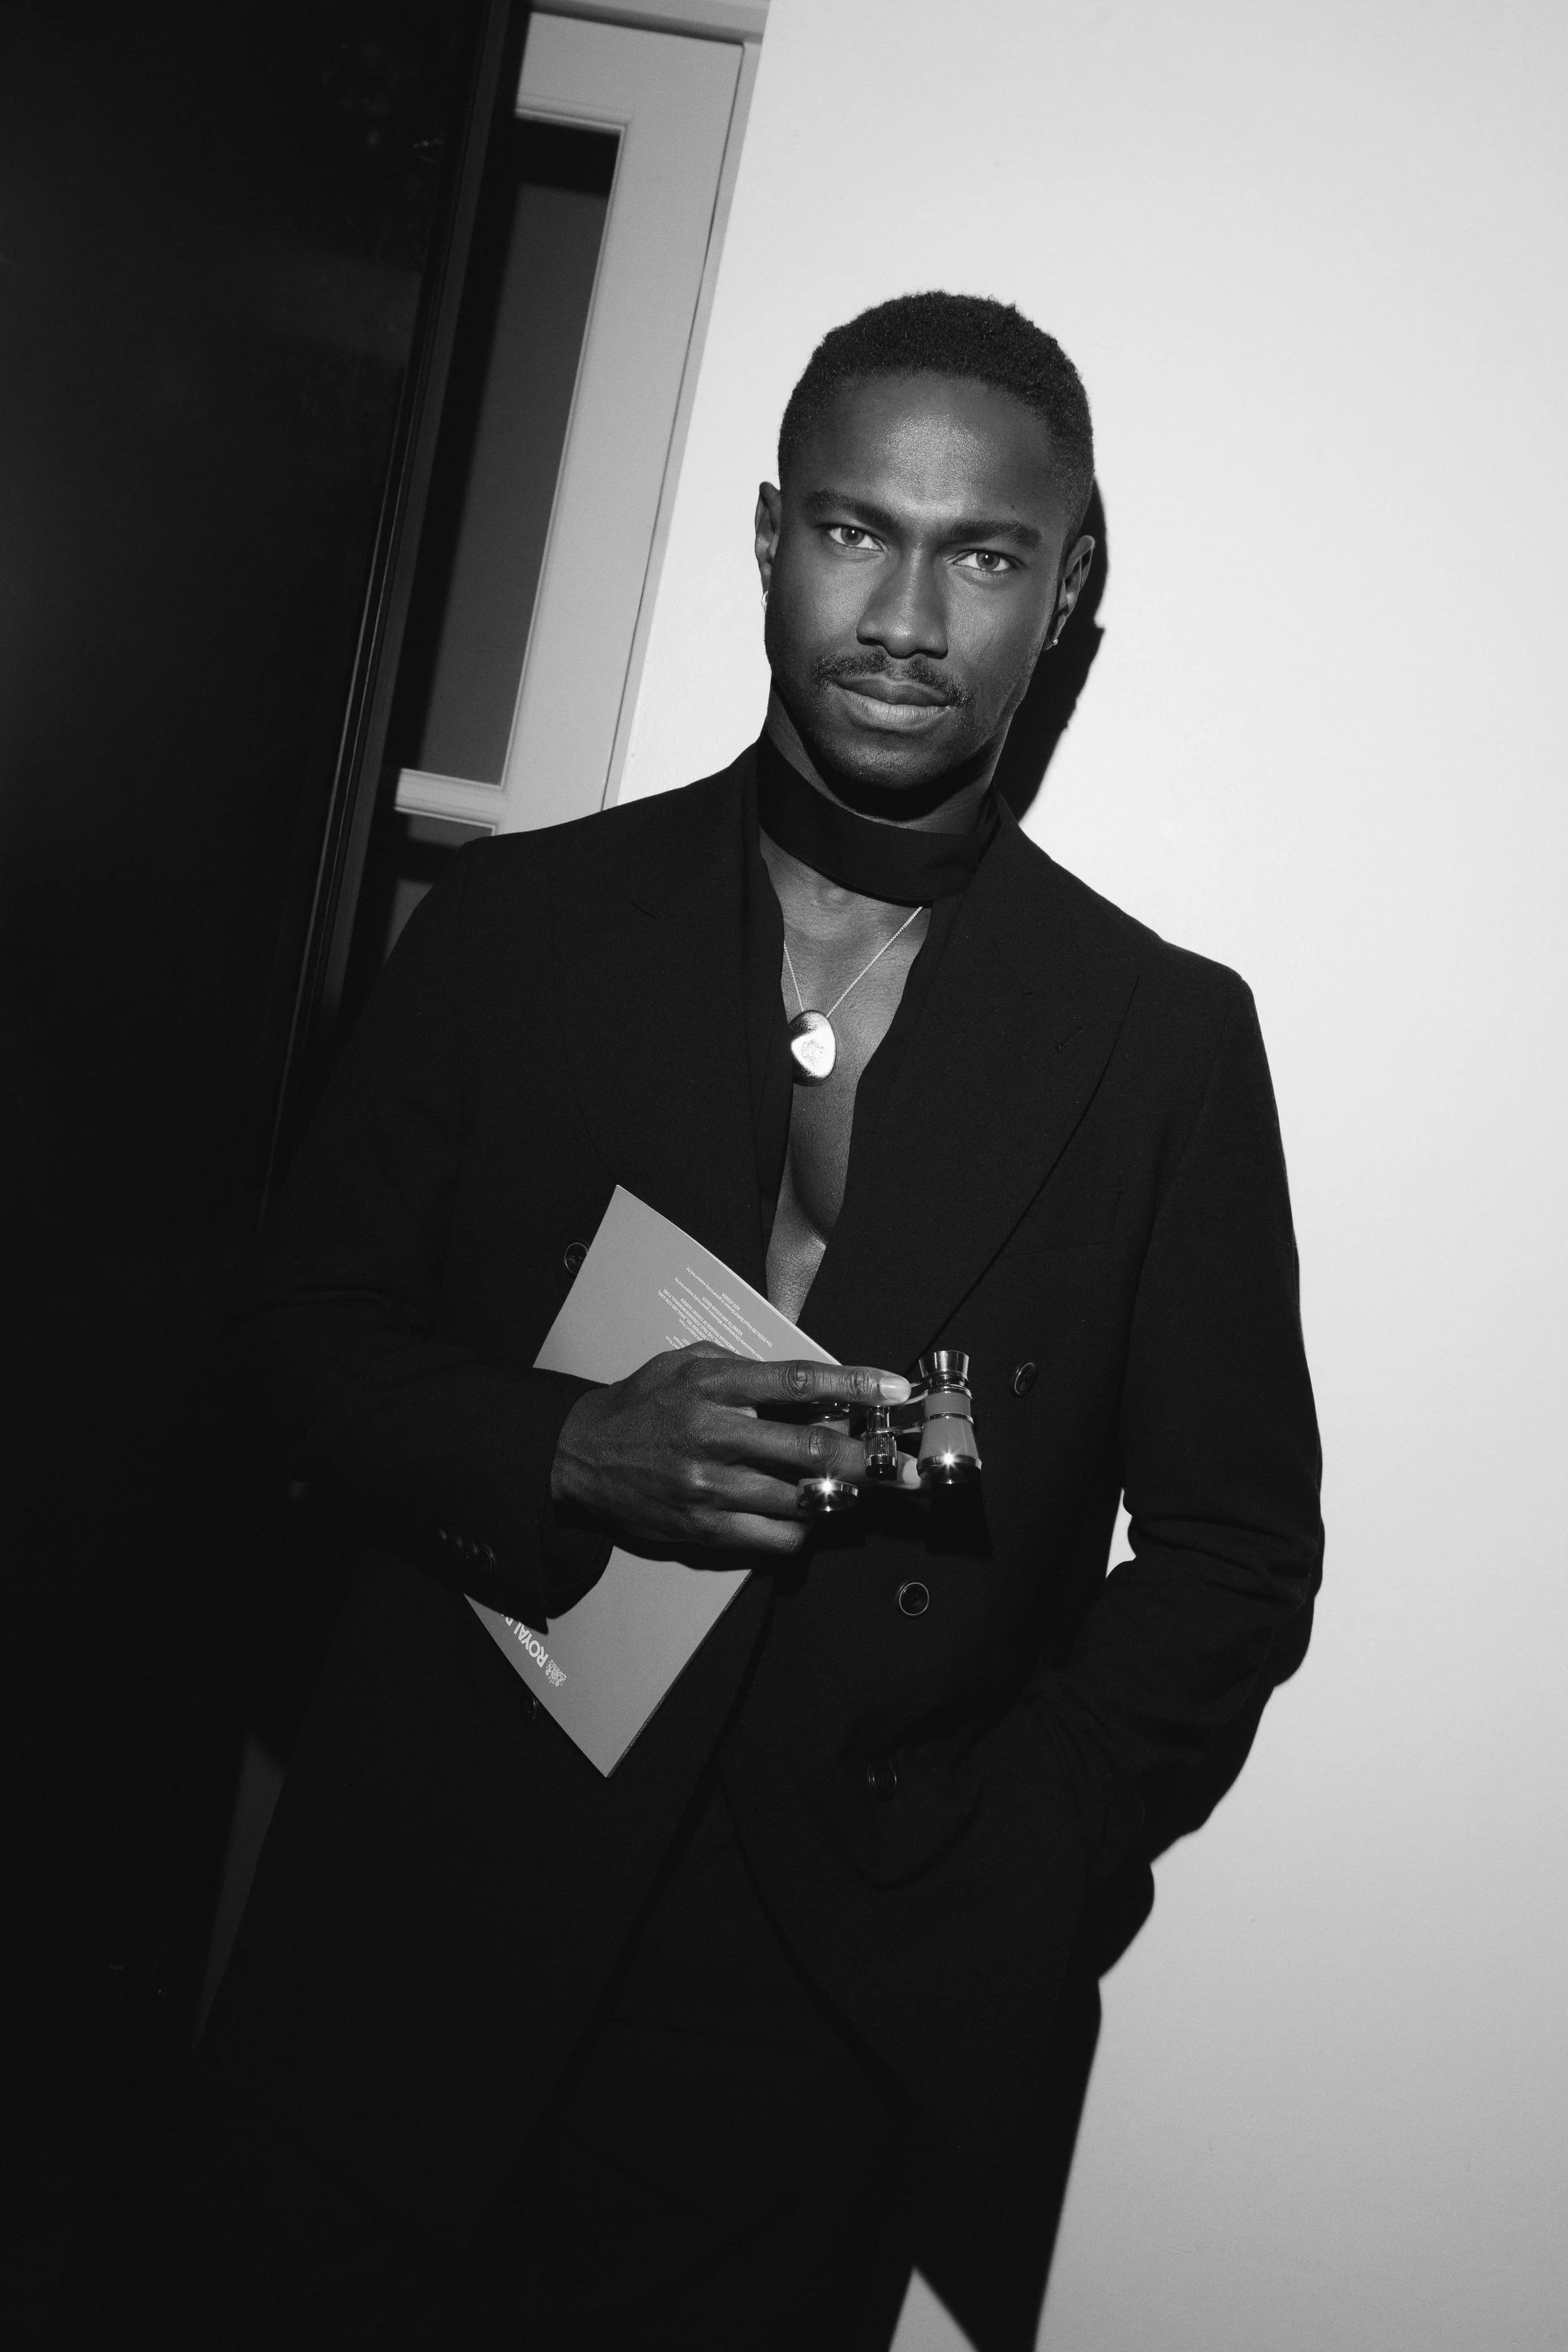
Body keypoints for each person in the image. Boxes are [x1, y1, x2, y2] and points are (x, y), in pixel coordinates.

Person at [134, 294, 1322, 2348]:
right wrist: (560, 1446)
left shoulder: (1159, 1045)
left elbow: (1236, 1550)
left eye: (984, 553)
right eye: (859, 530)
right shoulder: (520, 930)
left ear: (1068, 594)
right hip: (430, 1915)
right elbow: (286, 1336)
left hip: (812, 2010)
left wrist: (1009, 1852)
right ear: (767, 536)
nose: (907, 610)